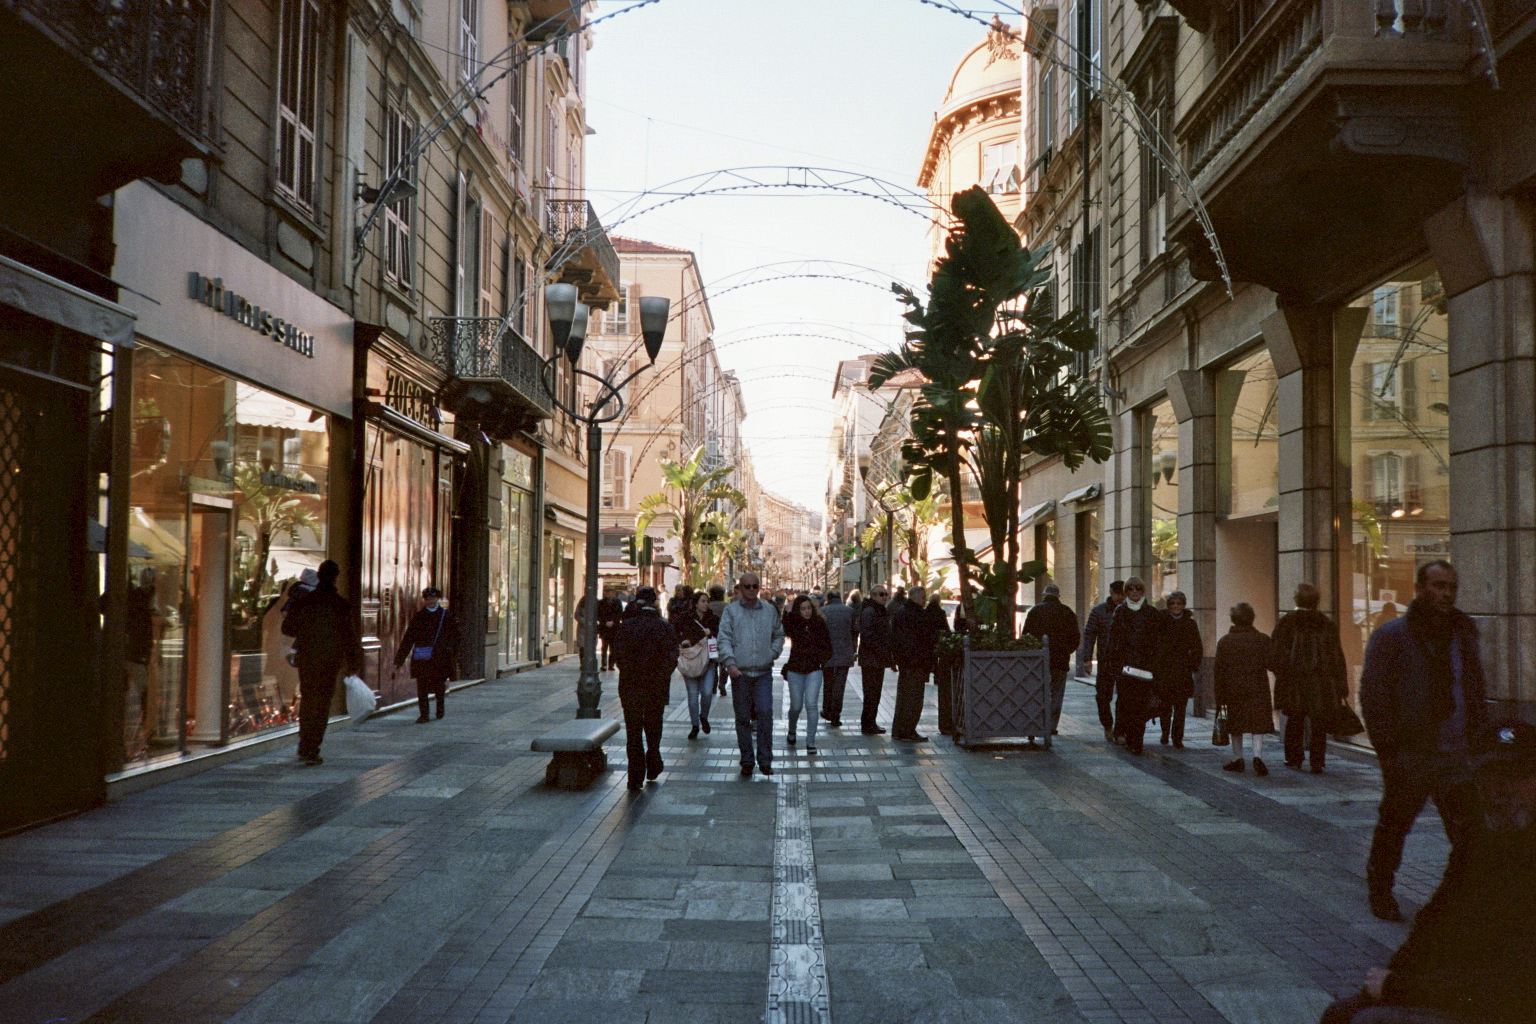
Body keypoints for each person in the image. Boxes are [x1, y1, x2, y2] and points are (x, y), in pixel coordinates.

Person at [1318, 724, 1536, 1024]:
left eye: (1517, 778)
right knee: (1341, 1015)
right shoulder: (1479, 841)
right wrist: (1392, 978)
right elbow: (1433, 922)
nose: (1502, 790)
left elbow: (1513, 980)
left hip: (1508, 1007)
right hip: (1463, 991)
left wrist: (1401, 987)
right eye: (1491, 777)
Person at [1361, 559, 1486, 922]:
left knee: (1470, 834)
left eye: (1451, 587)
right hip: (1412, 753)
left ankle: (1462, 897)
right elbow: (1374, 698)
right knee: (1394, 826)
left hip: (1457, 755)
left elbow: (1474, 688)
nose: (1446, 593)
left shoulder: (1464, 634)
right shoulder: (1392, 636)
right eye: (1438, 585)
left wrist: (1478, 740)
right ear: (1419, 589)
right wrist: (1390, 754)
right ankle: (1380, 889)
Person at [281, 559, 362, 766]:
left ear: (319, 574)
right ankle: (313, 747)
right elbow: (350, 636)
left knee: (308, 700)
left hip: (308, 657)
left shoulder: (305, 602)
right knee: (322, 703)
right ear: (336, 577)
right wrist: (353, 662)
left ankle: (304, 744)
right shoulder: (340, 604)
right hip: (329, 660)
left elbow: (288, 628)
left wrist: (307, 631)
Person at [1271, 583, 1348, 773]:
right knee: (1319, 722)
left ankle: (1294, 758)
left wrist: (1281, 673)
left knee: (1295, 720)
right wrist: (1340, 683)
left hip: (1294, 681)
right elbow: (1337, 655)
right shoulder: (1326, 623)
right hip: (1321, 682)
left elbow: (1275, 654)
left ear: (1296, 599)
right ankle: (1317, 761)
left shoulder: (1287, 622)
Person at [717, 572, 785, 777]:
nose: (750, 589)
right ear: (740, 587)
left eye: (754, 586)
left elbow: (779, 635)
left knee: (765, 714)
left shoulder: (769, 610)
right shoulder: (731, 611)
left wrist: (771, 653)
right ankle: (747, 759)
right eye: (746, 586)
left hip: (763, 673)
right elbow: (724, 638)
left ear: (759, 587)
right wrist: (730, 663)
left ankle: (765, 760)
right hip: (741, 674)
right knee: (743, 718)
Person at [613, 587, 678, 791]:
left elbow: (617, 656)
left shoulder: (626, 627)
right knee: (653, 724)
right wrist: (662, 675)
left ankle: (635, 775)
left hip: (630, 685)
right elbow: (672, 658)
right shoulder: (665, 627)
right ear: (656, 603)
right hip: (656, 686)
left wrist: (629, 671)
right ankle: (654, 758)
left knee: (633, 731)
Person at [1103, 577, 1164, 754]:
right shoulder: (1120, 612)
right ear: (1126, 592)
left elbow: (1158, 642)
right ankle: (1130, 738)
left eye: (1138, 589)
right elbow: (1113, 641)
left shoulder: (1152, 613)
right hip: (1125, 668)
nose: (1134, 592)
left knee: (1141, 705)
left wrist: (1156, 667)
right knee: (1126, 704)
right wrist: (1113, 665)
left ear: (1143, 591)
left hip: (1146, 667)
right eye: (1130, 589)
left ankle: (1137, 741)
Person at [1214, 602, 1276, 775]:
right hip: (1257, 687)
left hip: (1232, 689)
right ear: (1251, 619)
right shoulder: (1262, 639)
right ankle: (1257, 756)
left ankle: (1237, 758)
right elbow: (1272, 663)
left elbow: (1218, 671)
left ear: (1233, 620)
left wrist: (1219, 695)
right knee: (1257, 723)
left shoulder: (1225, 642)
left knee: (1235, 724)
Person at [1023, 583, 1081, 744]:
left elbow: (1025, 635)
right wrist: (1066, 651)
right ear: (1058, 596)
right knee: (1056, 693)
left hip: (1039, 660)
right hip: (1060, 660)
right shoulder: (1067, 612)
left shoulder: (1035, 611)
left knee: (1038, 692)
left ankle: (1038, 723)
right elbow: (1076, 637)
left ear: (1044, 595)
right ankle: (1052, 725)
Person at [392, 586, 459, 723]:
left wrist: (453, 655)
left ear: (437, 598)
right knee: (422, 686)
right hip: (423, 657)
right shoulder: (419, 616)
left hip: (440, 658)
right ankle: (424, 714)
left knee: (439, 685)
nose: (430, 601)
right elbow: (408, 638)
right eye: (428, 599)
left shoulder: (446, 616)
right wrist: (399, 660)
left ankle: (440, 710)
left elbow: (455, 637)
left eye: (433, 598)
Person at [890, 585, 944, 742]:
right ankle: (907, 729)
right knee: (913, 698)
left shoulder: (903, 612)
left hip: (908, 662)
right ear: (913, 597)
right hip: (915, 662)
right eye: (922, 597)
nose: (925, 600)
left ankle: (900, 729)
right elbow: (918, 639)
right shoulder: (914, 614)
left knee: (905, 697)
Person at [783, 594, 832, 753]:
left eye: (809, 608)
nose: (807, 612)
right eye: (803, 609)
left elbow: (828, 646)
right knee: (796, 706)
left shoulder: (819, 623)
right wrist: (787, 612)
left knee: (811, 704)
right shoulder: (794, 623)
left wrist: (820, 660)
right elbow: (785, 628)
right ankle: (792, 730)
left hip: (814, 669)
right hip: (795, 669)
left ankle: (810, 741)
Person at [1078, 580, 1126, 741]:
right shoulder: (1099, 611)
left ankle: (1120, 730)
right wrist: (1087, 659)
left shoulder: (1129, 611)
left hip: (1126, 661)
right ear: (1111, 593)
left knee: (1125, 697)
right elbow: (1090, 634)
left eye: (1122, 594)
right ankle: (1108, 725)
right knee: (1103, 696)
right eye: (1117, 593)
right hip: (1106, 660)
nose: (1120, 597)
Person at [1156, 590, 1203, 749]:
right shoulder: (1161, 621)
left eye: (1179, 604)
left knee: (1180, 708)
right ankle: (1164, 733)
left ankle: (1177, 737)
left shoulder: (1190, 623)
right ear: (1168, 606)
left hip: (1182, 671)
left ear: (1183, 605)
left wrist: (1192, 664)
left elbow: (1197, 647)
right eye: (1173, 604)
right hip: (1165, 671)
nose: (1176, 606)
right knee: (1165, 706)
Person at [676, 590, 717, 740]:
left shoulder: (713, 619)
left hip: (708, 661)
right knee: (692, 695)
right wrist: (685, 641)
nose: (706, 604)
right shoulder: (686, 618)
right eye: (703, 601)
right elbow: (679, 633)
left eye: (707, 601)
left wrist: (711, 632)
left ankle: (703, 716)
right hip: (691, 660)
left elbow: (718, 636)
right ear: (695, 604)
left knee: (707, 692)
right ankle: (694, 725)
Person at [856, 585, 893, 735]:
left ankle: (871, 722)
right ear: (872, 595)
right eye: (881, 594)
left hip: (876, 658)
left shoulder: (878, 610)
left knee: (874, 693)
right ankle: (868, 724)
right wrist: (880, 649)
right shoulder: (871, 611)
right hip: (871, 658)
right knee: (871, 693)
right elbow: (867, 635)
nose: (884, 597)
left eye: (886, 594)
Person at [818, 589, 858, 729]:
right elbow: (854, 632)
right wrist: (854, 649)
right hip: (844, 652)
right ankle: (836, 714)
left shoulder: (822, 611)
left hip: (827, 653)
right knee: (840, 684)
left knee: (828, 682)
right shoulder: (849, 611)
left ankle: (827, 709)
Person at [925, 593, 958, 736]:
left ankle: (930, 674)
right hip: (938, 640)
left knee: (931, 660)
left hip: (929, 640)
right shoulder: (940, 612)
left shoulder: (926, 612)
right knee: (939, 663)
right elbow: (944, 626)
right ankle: (937, 676)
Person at [596, 586, 625, 672]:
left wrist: (614, 621)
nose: (609, 594)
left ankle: (611, 664)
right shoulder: (601, 602)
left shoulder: (617, 602)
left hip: (614, 627)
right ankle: (604, 664)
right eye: (607, 592)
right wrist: (605, 622)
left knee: (613, 647)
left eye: (610, 592)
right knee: (604, 646)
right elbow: (598, 614)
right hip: (604, 627)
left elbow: (620, 614)